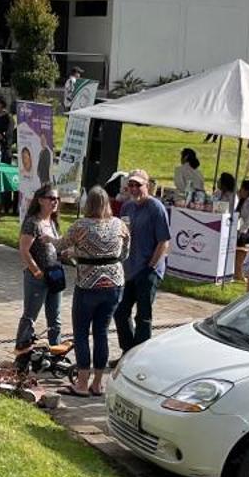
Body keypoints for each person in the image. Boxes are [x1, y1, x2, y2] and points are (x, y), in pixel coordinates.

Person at [58, 184, 128, 397]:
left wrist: (75, 252)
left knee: (81, 333)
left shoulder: (81, 225)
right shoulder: (119, 225)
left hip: (88, 285)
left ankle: (81, 383)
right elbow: (125, 253)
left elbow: (61, 246)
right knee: (101, 333)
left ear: (87, 204)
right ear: (107, 204)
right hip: (114, 284)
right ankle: (98, 383)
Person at [115, 170, 170, 351]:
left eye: (138, 185)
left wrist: (151, 267)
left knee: (143, 316)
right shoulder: (126, 207)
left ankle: (139, 355)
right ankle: (128, 352)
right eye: (130, 185)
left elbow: (164, 241)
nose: (134, 189)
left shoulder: (156, 208)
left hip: (149, 269)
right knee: (121, 312)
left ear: (147, 186)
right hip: (130, 268)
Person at [14, 183, 65, 370]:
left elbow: (56, 247)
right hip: (37, 277)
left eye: (57, 199)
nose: (55, 202)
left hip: (55, 276)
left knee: (55, 316)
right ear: (41, 200)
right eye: (51, 198)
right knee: (30, 316)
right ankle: (22, 354)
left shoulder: (52, 222)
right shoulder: (32, 223)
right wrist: (36, 271)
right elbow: (24, 250)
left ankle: (56, 354)